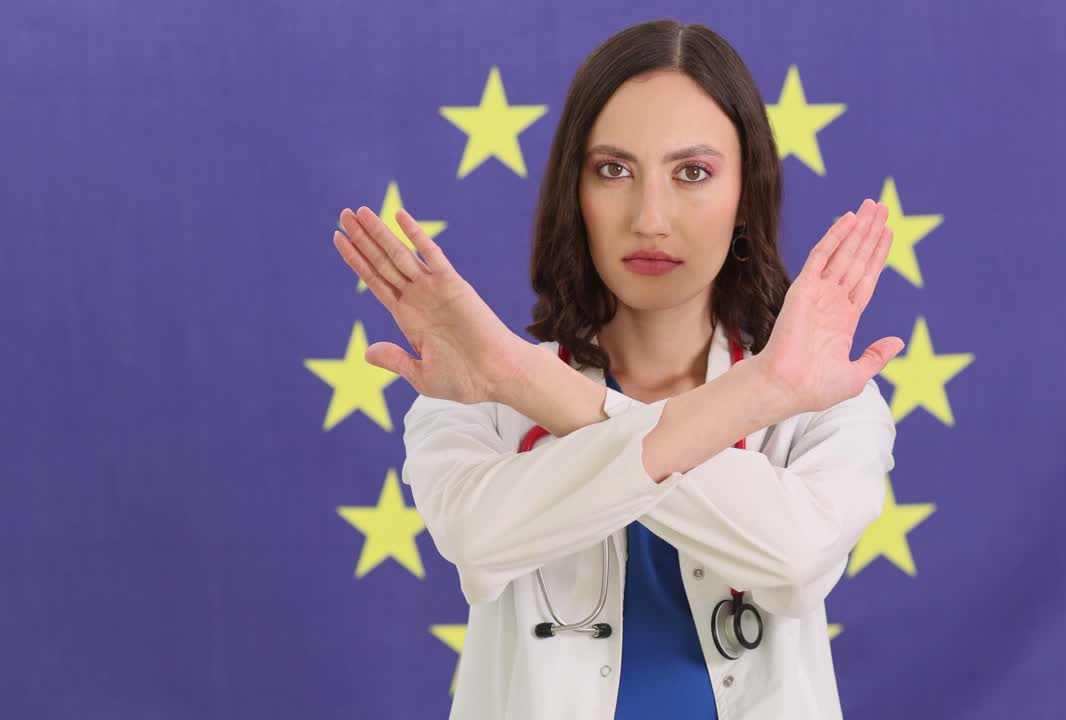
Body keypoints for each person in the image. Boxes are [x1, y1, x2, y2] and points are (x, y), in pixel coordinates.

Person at [332, 18, 903, 720]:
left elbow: (790, 565)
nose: (650, 217)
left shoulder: (825, 399)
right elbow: (480, 550)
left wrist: (543, 387)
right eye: (613, 170)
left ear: (745, 199)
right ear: (576, 194)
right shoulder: (475, 388)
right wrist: (754, 392)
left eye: (692, 172)